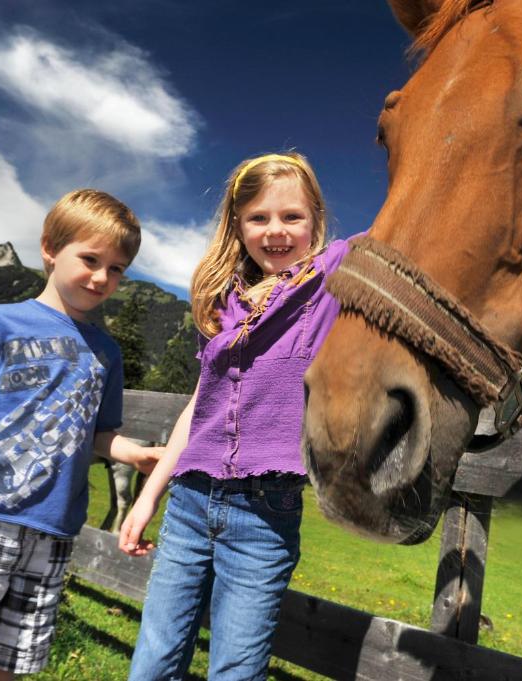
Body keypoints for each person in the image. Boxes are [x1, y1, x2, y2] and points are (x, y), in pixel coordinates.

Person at [0, 189, 163, 681]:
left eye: (117, 269)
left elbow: (98, 433)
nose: (102, 278)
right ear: (50, 249)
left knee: (5, 667)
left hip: (53, 533)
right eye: (90, 259)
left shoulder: (107, 352)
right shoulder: (0, 322)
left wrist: (133, 453)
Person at [120, 152, 352, 680]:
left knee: (237, 670)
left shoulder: (330, 278)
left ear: (315, 219)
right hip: (188, 502)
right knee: (153, 662)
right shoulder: (222, 303)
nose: (276, 230)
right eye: (258, 217)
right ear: (238, 225)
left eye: (292, 216)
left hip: (264, 514)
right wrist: (149, 496)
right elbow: (198, 409)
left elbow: (402, 231)